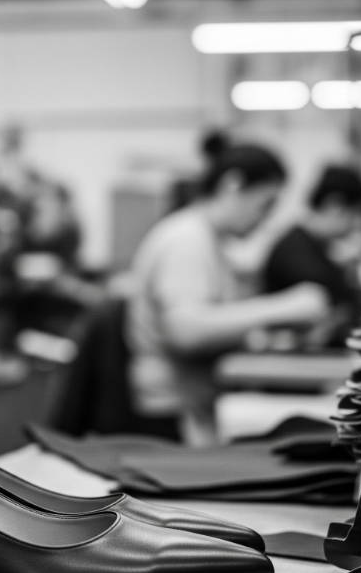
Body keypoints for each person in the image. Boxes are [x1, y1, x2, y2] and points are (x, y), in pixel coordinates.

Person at [126, 143, 330, 446]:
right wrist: (285, 307)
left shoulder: (209, 240)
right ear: (232, 185)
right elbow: (186, 331)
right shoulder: (186, 239)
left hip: (190, 401)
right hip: (169, 413)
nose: (264, 218)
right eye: (265, 204)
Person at [263, 164, 361, 346]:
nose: (355, 225)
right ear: (335, 205)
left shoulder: (315, 247)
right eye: (356, 214)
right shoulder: (296, 252)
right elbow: (337, 305)